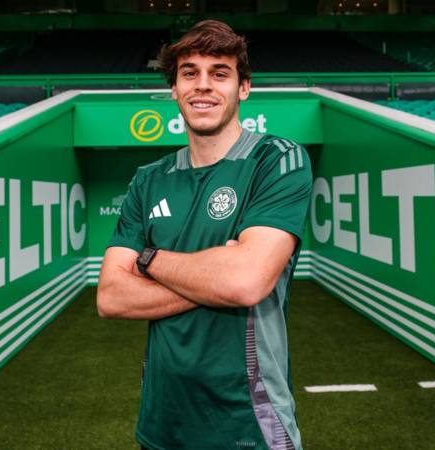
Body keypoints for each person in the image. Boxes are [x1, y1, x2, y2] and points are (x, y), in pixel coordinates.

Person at [96, 19, 311, 450]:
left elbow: (245, 282)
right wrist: (217, 274)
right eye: (189, 73)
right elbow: (111, 297)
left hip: (249, 424)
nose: (203, 85)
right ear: (174, 89)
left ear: (243, 88)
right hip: (162, 425)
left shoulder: (277, 160)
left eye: (220, 73)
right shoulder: (148, 179)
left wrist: (148, 260)